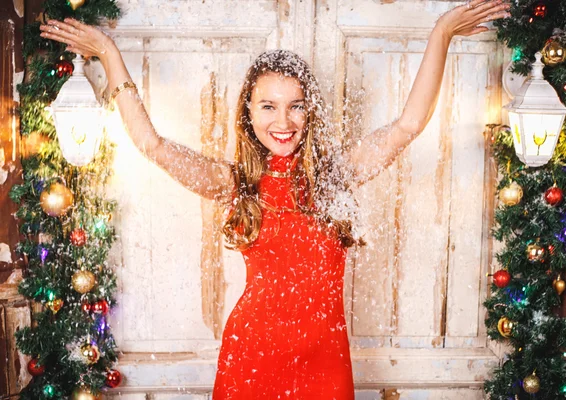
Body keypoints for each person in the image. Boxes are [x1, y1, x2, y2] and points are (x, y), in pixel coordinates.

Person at [40, 1, 510, 398]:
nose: (283, 121)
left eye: (296, 105)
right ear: (248, 111)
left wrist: (443, 32)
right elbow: (153, 145)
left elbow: (407, 125)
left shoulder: (335, 178)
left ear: (312, 110)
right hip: (251, 355)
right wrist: (107, 52)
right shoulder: (235, 184)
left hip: (325, 360)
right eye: (268, 106)